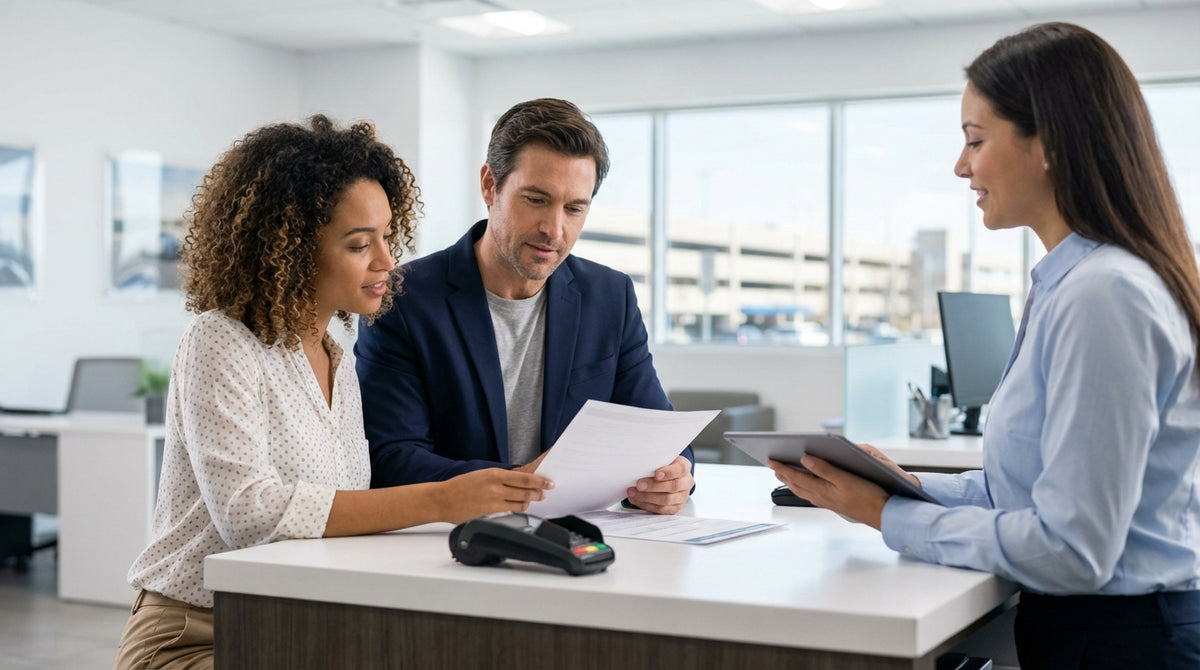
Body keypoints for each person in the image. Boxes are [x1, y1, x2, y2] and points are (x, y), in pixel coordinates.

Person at [770, 22, 1200, 669]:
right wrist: (908, 487)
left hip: (1126, 640)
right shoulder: (1074, 282)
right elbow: (1036, 492)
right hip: (1108, 631)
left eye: (976, 139)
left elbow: (1074, 548)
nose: (961, 165)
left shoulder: (1102, 295)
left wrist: (890, 515)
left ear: (1048, 143)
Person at [113, 115, 553, 670]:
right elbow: (249, 513)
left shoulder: (334, 358)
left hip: (293, 621)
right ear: (292, 249)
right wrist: (443, 500)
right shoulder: (220, 340)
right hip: (196, 632)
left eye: (386, 237)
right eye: (358, 244)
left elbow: (337, 511)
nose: (387, 261)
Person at [355, 98, 694, 515]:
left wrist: (675, 476)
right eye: (536, 199)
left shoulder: (611, 296)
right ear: (489, 185)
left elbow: (658, 433)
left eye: (574, 209)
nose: (554, 229)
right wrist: (522, 483)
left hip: (585, 538)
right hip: (447, 542)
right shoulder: (402, 298)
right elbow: (390, 459)